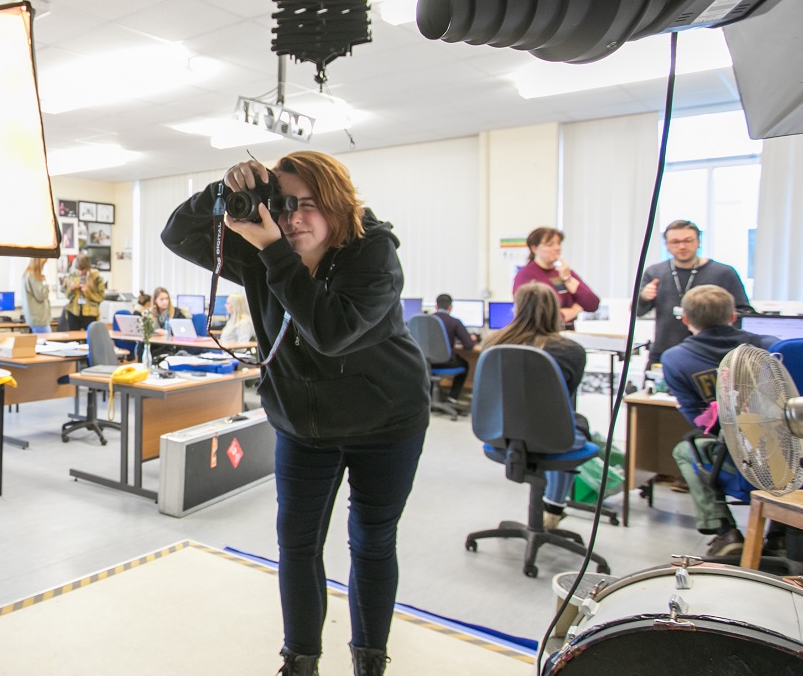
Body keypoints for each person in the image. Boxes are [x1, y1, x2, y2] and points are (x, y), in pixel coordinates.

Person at [162, 150, 429, 676]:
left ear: (338, 205)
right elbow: (178, 234)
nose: (294, 218)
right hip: (305, 427)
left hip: (387, 422)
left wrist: (272, 252)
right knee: (297, 545)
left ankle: (369, 659)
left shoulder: (373, 254)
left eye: (310, 204)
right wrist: (225, 187)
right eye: (283, 204)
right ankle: (300, 661)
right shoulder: (266, 252)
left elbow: (330, 331)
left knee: (372, 541)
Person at [663, 285, 778, 559]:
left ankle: (724, 530)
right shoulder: (771, 346)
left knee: (686, 447)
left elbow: (702, 423)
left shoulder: (675, 359)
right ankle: (782, 532)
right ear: (733, 316)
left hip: (739, 460)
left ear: (687, 320)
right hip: (787, 457)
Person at [482, 283, 589, 529]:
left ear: (516, 308)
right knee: (577, 423)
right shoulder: (571, 351)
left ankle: (551, 508)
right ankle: (554, 506)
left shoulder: (492, 345)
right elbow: (564, 403)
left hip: (500, 435)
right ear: (556, 311)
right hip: (552, 438)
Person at [636, 220, 752, 366]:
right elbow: (638, 312)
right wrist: (644, 297)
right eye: (675, 242)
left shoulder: (723, 273)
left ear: (698, 242)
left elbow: (744, 313)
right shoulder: (655, 272)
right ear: (666, 245)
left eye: (688, 240)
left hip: (712, 354)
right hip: (665, 351)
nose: (682, 246)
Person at [511, 226, 600, 328]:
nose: (557, 248)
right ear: (534, 248)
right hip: (541, 334)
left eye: (558, 243)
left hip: (568, 332)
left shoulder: (564, 272)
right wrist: (575, 309)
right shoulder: (526, 275)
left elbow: (592, 304)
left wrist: (567, 279)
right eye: (550, 245)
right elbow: (537, 317)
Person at [430, 294, 479, 404]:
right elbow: (469, 345)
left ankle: (430, 395)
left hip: (427, 363)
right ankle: (452, 398)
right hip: (447, 362)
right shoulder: (455, 322)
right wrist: (472, 339)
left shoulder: (426, 320)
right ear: (450, 307)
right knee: (465, 364)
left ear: (435, 307)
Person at [61, 255, 105, 332]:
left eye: (83, 269)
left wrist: (88, 292)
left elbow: (101, 297)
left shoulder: (95, 276)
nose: (81, 272)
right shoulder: (73, 275)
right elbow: (67, 296)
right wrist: (71, 288)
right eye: (79, 270)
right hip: (74, 311)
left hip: (90, 312)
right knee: (74, 337)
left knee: (90, 337)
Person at [22, 258, 52, 333]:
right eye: (43, 264)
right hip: (39, 320)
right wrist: (45, 282)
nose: (43, 267)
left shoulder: (27, 274)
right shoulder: (33, 275)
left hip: (36, 319)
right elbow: (41, 296)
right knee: (48, 342)